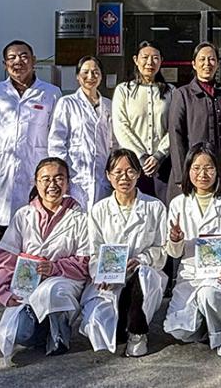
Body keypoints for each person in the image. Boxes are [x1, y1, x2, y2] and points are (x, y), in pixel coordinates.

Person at [0, 40, 62, 301]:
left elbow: (56, 132)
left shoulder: (50, 93)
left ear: (34, 61)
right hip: (2, 173)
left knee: (34, 228)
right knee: (0, 230)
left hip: (37, 172)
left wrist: (52, 168)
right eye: (12, 57)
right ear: (5, 64)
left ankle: (29, 279)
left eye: (23, 56)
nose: (18, 62)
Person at [0, 157, 89, 362]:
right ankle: (43, 330)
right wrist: (2, 292)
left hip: (64, 282)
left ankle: (60, 333)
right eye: (46, 179)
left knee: (52, 291)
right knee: (20, 334)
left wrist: (54, 267)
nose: (52, 185)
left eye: (59, 178)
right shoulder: (23, 215)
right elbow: (5, 257)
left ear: (67, 182)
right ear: (36, 182)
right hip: (28, 285)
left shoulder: (80, 217)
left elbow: (85, 262)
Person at [79, 148, 168, 357]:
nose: (124, 177)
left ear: (138, 173)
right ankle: (122, 325)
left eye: (130, 171)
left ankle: (138, 331)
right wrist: (101, 274)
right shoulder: (98, 210)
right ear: (108, 176)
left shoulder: (155, 207)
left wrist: (142, 259)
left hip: (143, 274)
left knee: (143, 276)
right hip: (110, 282)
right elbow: (93, 251)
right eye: (117, 172)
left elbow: (162, 249)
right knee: (97, 325)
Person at [164, 142, 221, 357]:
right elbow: (174, 253)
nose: (202, 174)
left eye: (209, 168)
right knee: (179, 331)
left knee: (210, 293)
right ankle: (209, 323)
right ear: (188, 170)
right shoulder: (178, 204)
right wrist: (175, 239)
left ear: (218, 170)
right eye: (196, 168)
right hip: (191, 276)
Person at [168, 42, 221, 196]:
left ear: (218, 64)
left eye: (211, 59)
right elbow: (175, 134)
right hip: (192, 171)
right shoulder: (182, 94)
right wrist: (181, 174)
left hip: (220, 171)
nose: (207, 64)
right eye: (202, 59)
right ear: (194, 64)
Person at [48, 56, 114, 211]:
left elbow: (115, 143)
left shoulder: (109, 105)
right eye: (85, 72)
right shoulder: (67, 103)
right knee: (75, 220)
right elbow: (56, 143)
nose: (91, 76)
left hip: (102, 179)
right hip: (75, 179)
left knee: (100, 219)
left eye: (95, 72)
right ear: (78, 76)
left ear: (101, 76)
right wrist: (63, 176)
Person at [112, 41, 172, 201]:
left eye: (155, 58)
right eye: (145, 57)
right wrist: (141, 156)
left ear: (161, 61)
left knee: (163, 208)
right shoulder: (123, 90)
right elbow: (121, 126)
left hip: (163, 164)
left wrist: (159, 155)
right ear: (136, 60)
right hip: (133, 164)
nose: (150, 62)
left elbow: (174, 127)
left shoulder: (171, 92)